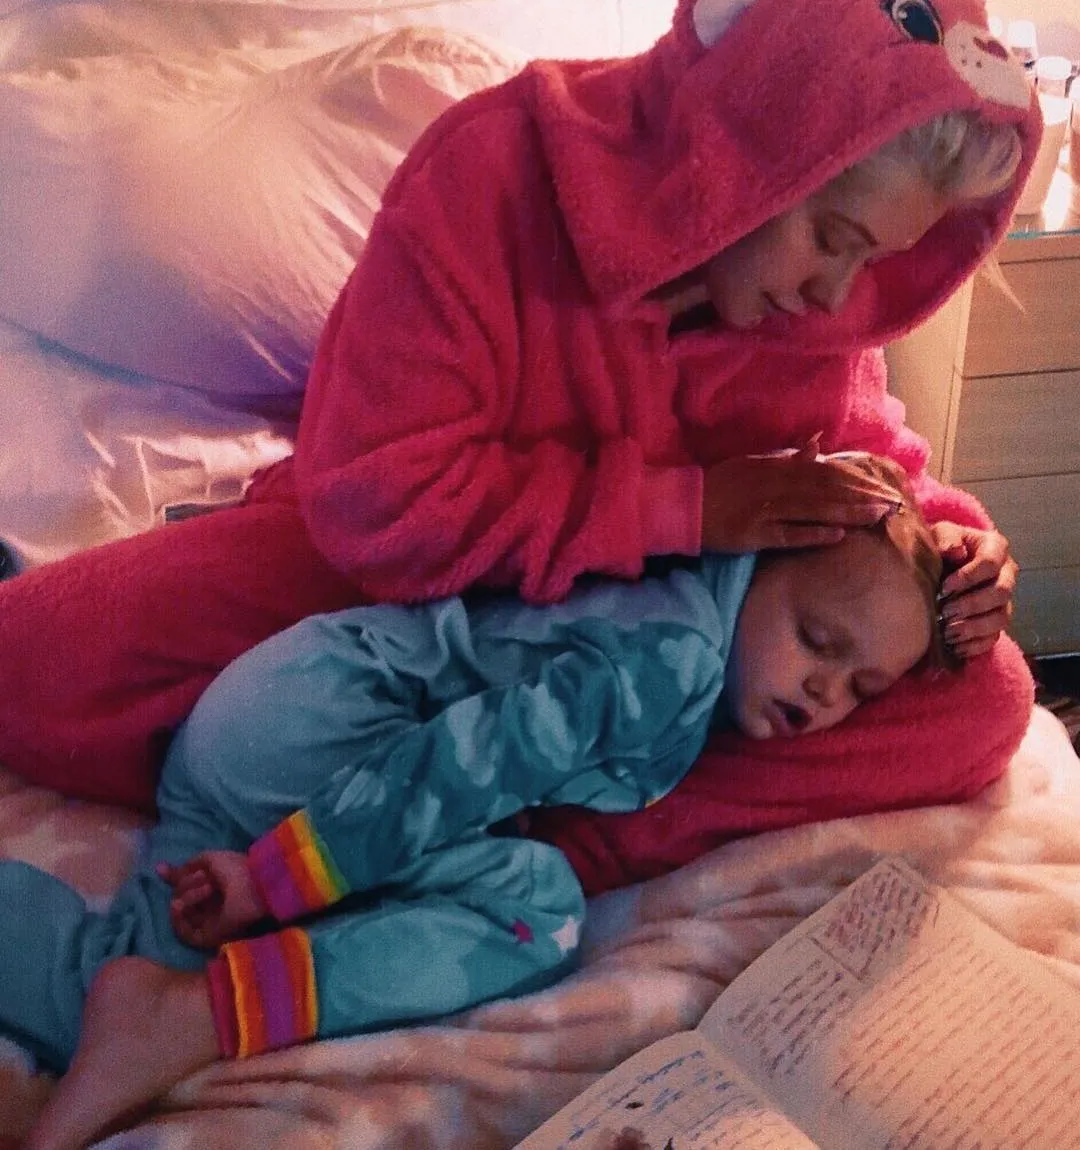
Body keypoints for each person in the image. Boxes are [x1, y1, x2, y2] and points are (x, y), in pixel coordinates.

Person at [0, 0, 1039, 854]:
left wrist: (945, 550)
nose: (836, 296)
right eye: (833, 239)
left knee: (985, 698)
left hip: (664, 654)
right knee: (34, 660)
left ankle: (527, 831)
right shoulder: (492, 172)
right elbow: (375, 501)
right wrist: (686, 508)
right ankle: (514, 795)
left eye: (873, 261)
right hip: (414, 596)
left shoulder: (823, 302)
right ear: (754, 147)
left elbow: (860, 464)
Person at [22, 455, 944, 1150]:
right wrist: (275, 881)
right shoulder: (672, 659)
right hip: (324, 739)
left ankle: (137, 999)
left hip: (264, 717)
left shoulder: (679, 605)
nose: (825, 690)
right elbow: (459, 766)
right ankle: (204, 1014)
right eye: (816, 640)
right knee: (535, 908)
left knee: (110, 977)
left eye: (860, 688)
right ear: (762, 561)